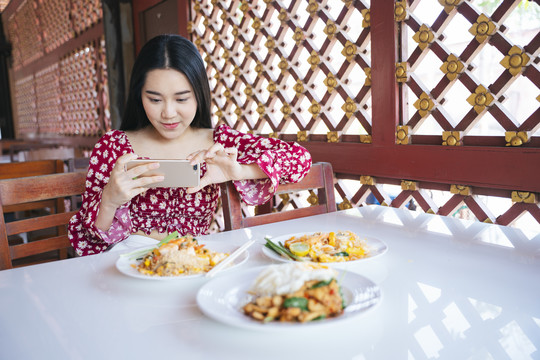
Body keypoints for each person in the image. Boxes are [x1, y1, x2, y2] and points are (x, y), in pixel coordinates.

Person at [68, 34, 312, 256]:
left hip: (196, 258)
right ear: (139, 95)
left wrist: (239, 170)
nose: (168, 113)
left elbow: (299, 158)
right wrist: (109, 200)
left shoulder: (219, 141)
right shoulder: (114, 147)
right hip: (131, 259)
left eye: (181, 98)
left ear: (199, 93)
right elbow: (89, 241)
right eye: (154, 99)